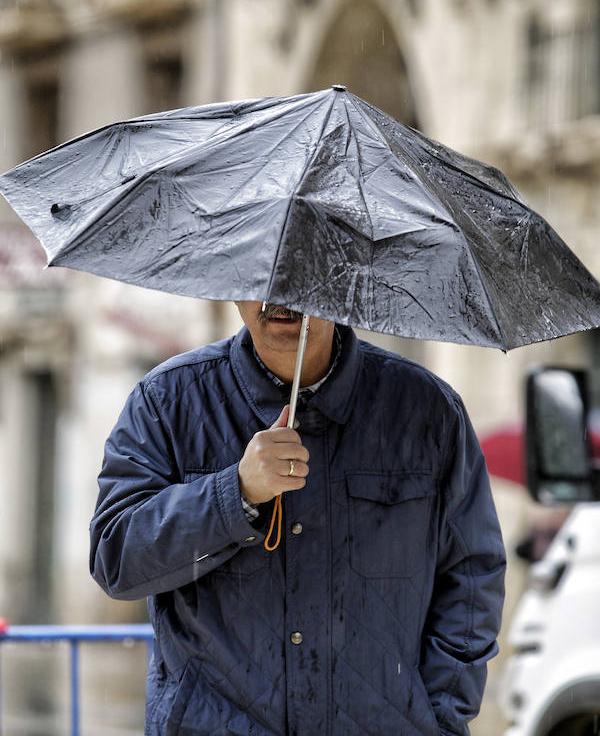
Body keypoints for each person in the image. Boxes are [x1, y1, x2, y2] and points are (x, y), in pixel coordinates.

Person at [90, 302, 506, 736]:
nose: (279, 295)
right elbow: (115, 559)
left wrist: (438, 717)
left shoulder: (427, 410)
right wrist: (236, 493)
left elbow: (472, 575)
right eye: (262, 273)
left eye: (301, 271)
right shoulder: (168, 401)